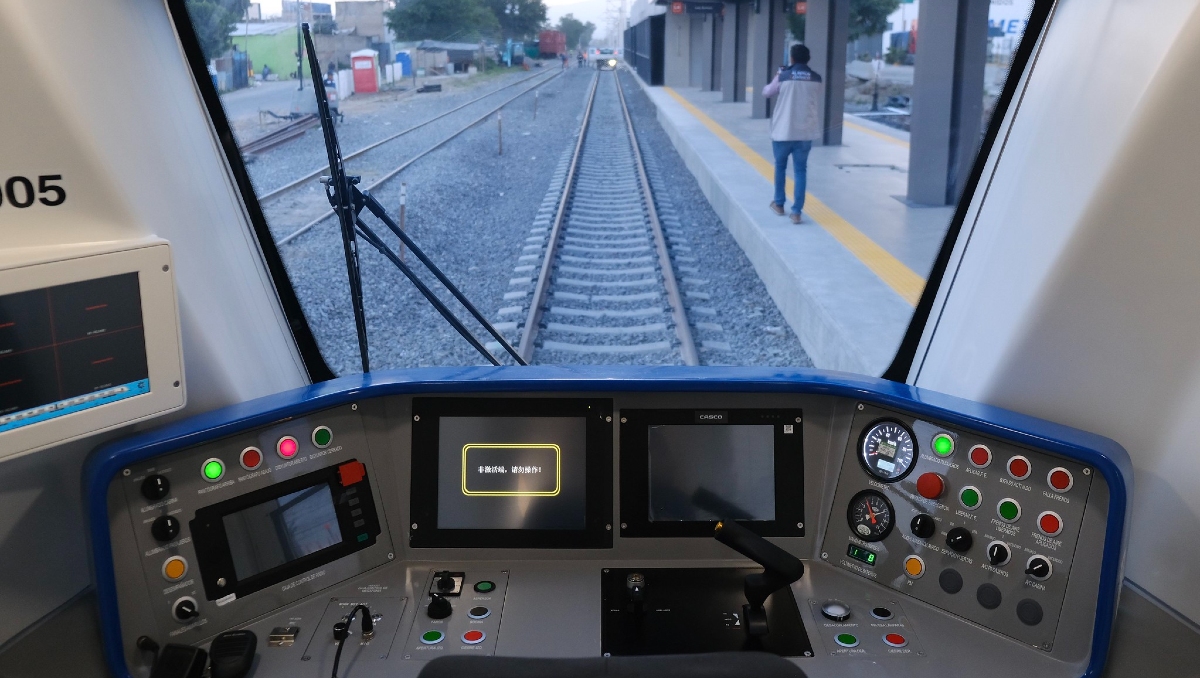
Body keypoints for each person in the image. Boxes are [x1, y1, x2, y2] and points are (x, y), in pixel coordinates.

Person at [762, 43, 823, 224]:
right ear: (808, 59)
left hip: (783, 131)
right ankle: (796, 212)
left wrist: (778, 76)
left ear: (792, 58)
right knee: (800, 170)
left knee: (780, 167)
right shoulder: (816, 78)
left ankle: (779, 204)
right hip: (805, 132)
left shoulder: (783, 76)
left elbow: (767, 92)